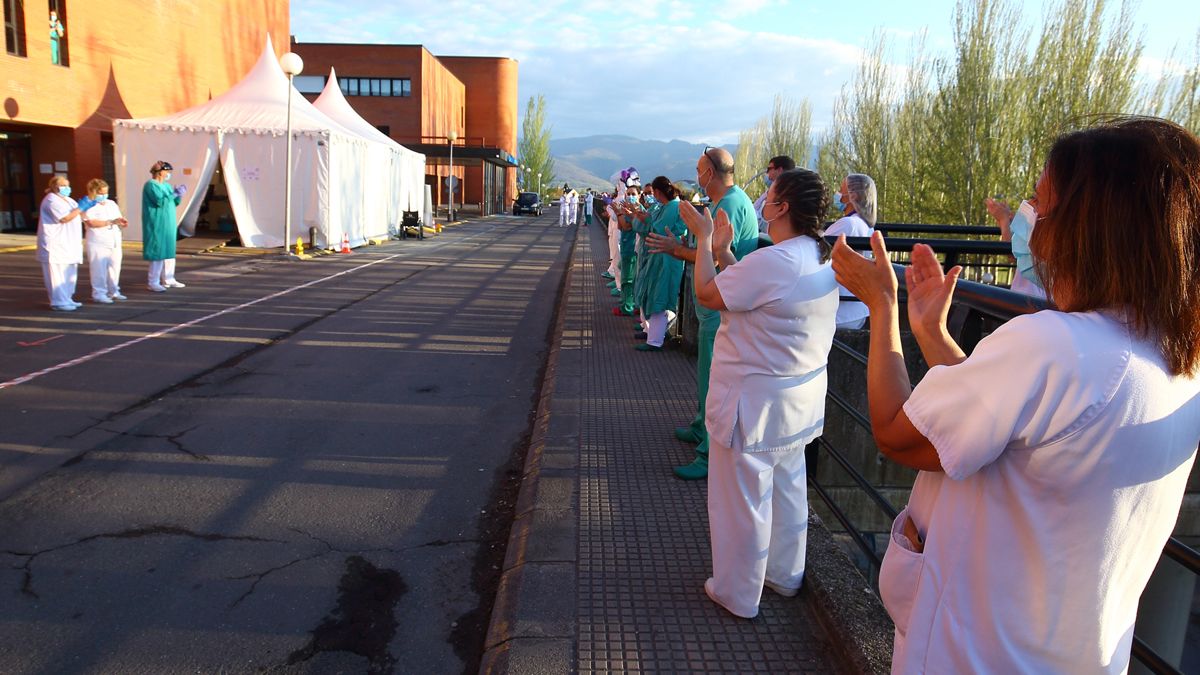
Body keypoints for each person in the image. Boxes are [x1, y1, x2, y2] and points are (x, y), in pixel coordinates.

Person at [830, 116, 1200, 673]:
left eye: (1042, 208)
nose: (1032, 228)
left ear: (1093, 226)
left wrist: (882, 306)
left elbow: (899, 435)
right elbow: (1008, 422)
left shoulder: (1055, 344)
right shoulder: (1173, 362)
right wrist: (933, 333)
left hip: (971, 651)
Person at [681, 167, 838, 618]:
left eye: (770, 193)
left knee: (742, 500)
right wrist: (726, 252)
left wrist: (705, 242)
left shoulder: (778, 259)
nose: (763, 199)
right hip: (797, 400)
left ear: (783, 207)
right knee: (788, 490)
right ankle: (785, 575)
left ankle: (736, 592)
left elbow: (709, 294)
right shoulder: (813, 255)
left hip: (753, 402)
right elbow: (755, 290)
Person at [645, 147, 760, 480]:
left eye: (699, 169)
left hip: (722, 307)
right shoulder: (725, 203)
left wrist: (677, 250)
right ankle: (701, 426)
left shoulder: (731, 206)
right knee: (708, 379)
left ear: (710, 172)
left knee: (717, 382)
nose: (696, 176)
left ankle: (710, 453)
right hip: (715, 306)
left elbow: (716, 256)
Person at [825, 173, 876, 329]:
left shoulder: (848, 224)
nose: (837, 194)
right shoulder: (866, 224)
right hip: (857, 308)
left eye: (841, 190)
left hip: (840, 312)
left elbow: (816, 249)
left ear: (852, 195)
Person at [36, 175, 86, 311]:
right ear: (54, 186)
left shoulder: (69, 200)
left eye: (67, 185)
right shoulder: (51, 200)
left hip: (69, 243)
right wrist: (80, 208)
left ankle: (67, 298)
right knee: (57, 275)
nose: (66, 188)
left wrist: (84, 208)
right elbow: (64, 218)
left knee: (69, 273)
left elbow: (80, 215)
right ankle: (58, 301)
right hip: (55, 244)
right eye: (63, 185)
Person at [984, 195, 1049, 299]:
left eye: (1035, 199)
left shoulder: (1046, 231)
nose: (1028, 202)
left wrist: (1003, 220)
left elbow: (1013, 254)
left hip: (1031, 301)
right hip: (1029, 299)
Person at [142, 160, 187, 292]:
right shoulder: (151, 185)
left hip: (169, 222)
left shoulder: (166, 186)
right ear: (160, 172)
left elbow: (174, 203)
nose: (168, 174)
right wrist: (173, 195)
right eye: (167, 171)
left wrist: (179, 195)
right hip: (156, 222)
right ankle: (153, 281)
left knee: (169, 250)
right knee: (158, 251)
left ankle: (168, 278)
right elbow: (160, 201)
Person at [83, 179, 128, 303]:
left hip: (114, 239)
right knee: (99, 269)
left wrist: (121, 221)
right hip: (98, 241)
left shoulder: (111, 203)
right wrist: (111, 222)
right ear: (94, 192)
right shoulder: (89, 204)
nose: (104, 196)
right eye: (101, 193)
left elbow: (117, 217)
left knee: (115, 267)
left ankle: (114, 290)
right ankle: (99, 293)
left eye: (106, 193)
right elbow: (91, 222)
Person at [753, 155, 795, 234]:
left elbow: (766, 224)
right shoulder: (771, 191)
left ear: (779, 170)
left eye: (769, 169)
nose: (767, 173)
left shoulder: (785, 195)